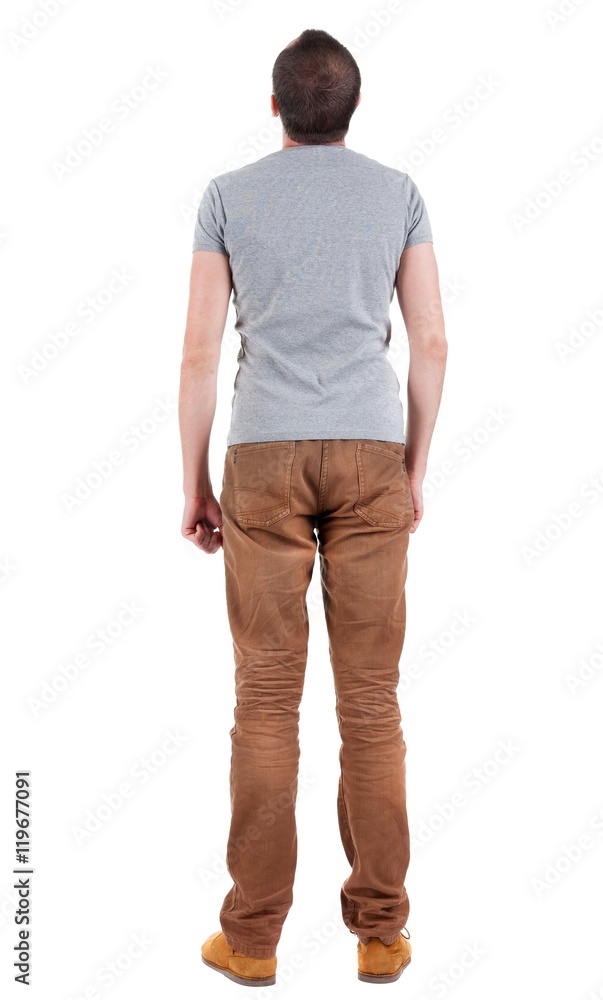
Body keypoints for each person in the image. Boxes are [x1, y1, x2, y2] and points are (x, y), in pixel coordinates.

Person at [178, 28, 447, 988]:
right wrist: (412, 468)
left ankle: (250, 941)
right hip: (374, 450)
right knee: (371, 704)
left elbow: (202, 357)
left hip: (260, 454)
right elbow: (430, 343)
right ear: (352, 109)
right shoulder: (397, 192)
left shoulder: (227, 196)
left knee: (263, 703)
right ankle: (380, 934)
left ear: (276, 105)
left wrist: (194, 482)